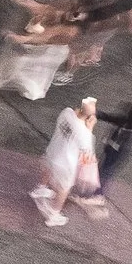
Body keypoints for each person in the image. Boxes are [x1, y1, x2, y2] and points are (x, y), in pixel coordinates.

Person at [32, 97, 99, 227]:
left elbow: (72, 116)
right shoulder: (84, 133)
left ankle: (40, 189)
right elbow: (87, 153)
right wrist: (90, 129)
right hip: (66, 164)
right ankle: (53, 214)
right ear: (90, 118)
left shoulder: (66, 112)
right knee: (64, 189)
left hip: (52, 151)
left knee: (48, 169)